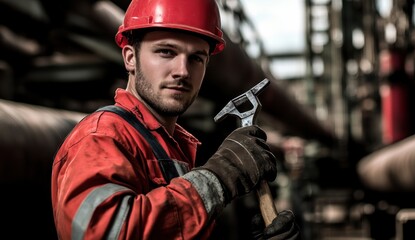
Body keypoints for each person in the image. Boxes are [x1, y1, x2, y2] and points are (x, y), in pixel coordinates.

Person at [51, 0, 301, 239]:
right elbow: (101, 234)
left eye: (196, 58)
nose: (182, 71)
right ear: (129, 57)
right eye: (166, 52)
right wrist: (218, 179)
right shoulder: (103, 136)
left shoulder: (173, 145)